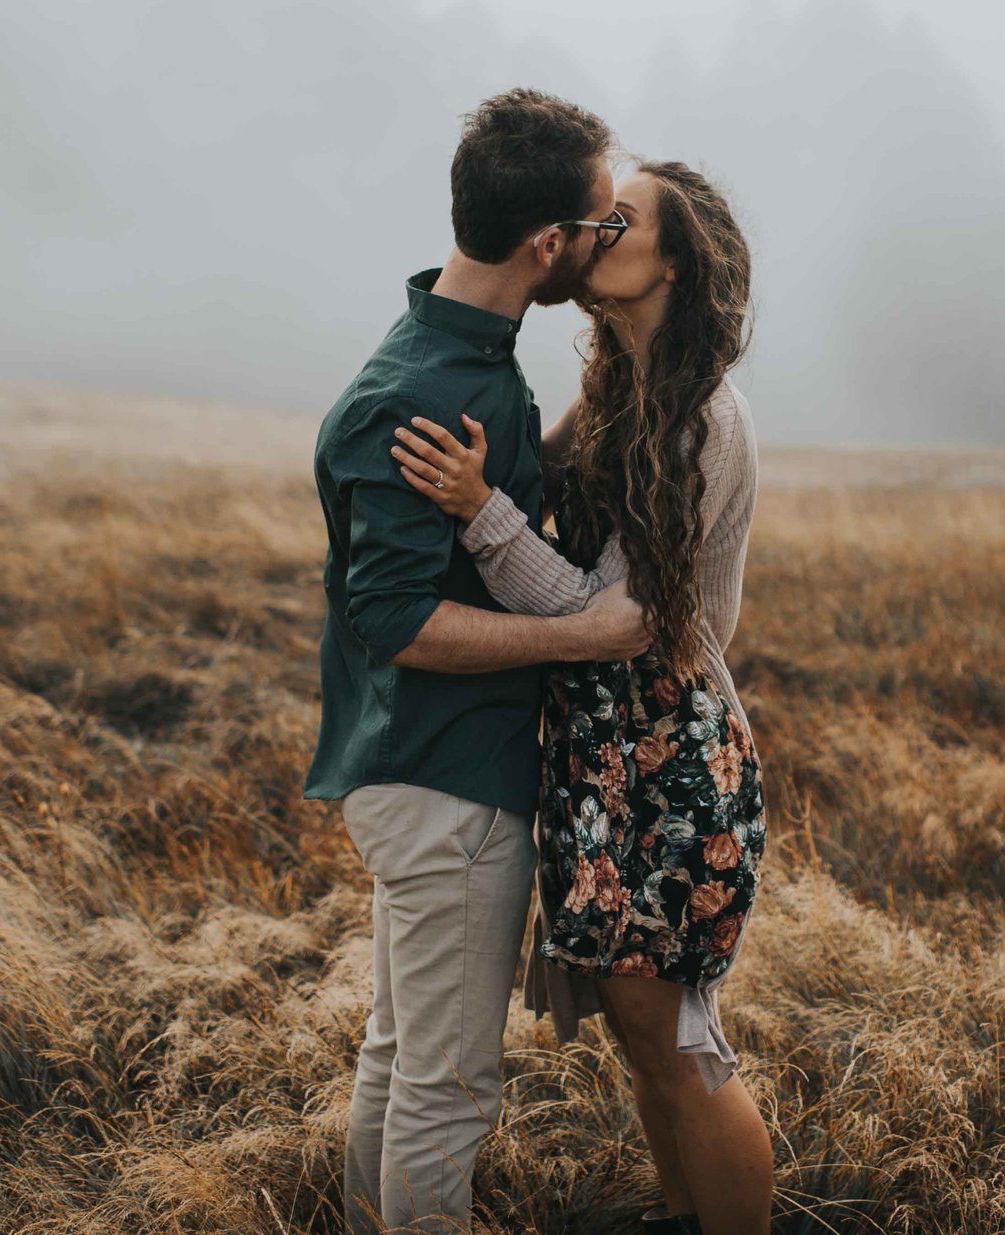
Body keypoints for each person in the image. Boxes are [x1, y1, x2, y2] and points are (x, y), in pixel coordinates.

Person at [388, 159, 773, 1235]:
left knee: (682, 1042)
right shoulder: (620, 388)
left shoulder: (704, 417)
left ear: (676, 258)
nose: (595, 230)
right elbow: (538, 492)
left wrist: (479, 515)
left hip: (671, 754)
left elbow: (618, 617)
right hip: (604, 752)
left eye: (621, 219)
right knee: (643, 1037)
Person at [305, 87, 653, 1235]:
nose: (608, 240)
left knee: (401, 1054)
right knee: (447, 1090)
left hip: (428, 769)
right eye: (601, 222)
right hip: (442, 776)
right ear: (547, 243)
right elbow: (395, 617)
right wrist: (578, 633)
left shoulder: (466, 363)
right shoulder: (420, 395)